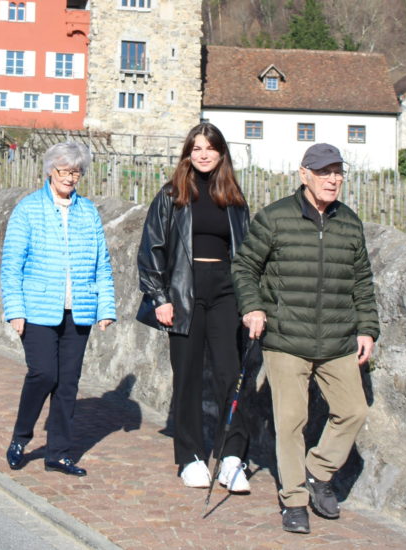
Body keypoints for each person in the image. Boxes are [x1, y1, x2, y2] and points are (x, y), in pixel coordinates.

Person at [231, 143, 379, 534]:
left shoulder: (349, 222)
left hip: (337, 339)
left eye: (338, 172)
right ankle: (294, 500)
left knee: (354, 410)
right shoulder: (275, 217)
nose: (333, 179)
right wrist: (253, 307)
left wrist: (367, 328)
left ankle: (318, 470)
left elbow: (362, 282)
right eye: (324, 171)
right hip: (285, 338)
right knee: (291, 422)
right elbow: (245, 266)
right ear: (304, 174)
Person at [136, 122, 251, 492]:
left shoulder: (233, 198)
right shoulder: (172, 195)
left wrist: (250, 302)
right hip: (184, 292)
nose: (203, 154)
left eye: (210, 148)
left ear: (221, 153)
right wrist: (160, 298)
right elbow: (152, 248)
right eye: (196, 148)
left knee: (230, 374)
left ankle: (232, 457)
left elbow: (246, 253)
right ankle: (190, 457)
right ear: (188, 153)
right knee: (187, 376)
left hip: (225, 293)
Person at [0, 141, 116, 477]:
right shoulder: (28, 209)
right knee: (43, 374)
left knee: (68, 383)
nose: (69, 177)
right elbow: (11, 264)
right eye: (63, 170)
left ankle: (59, 453)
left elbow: (102, 264)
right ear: (51, 171)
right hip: (37, 308)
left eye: (76, 172)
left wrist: (105, 307)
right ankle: (21, 438)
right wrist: (15, 310)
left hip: (78, 310)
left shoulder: (88, 212)